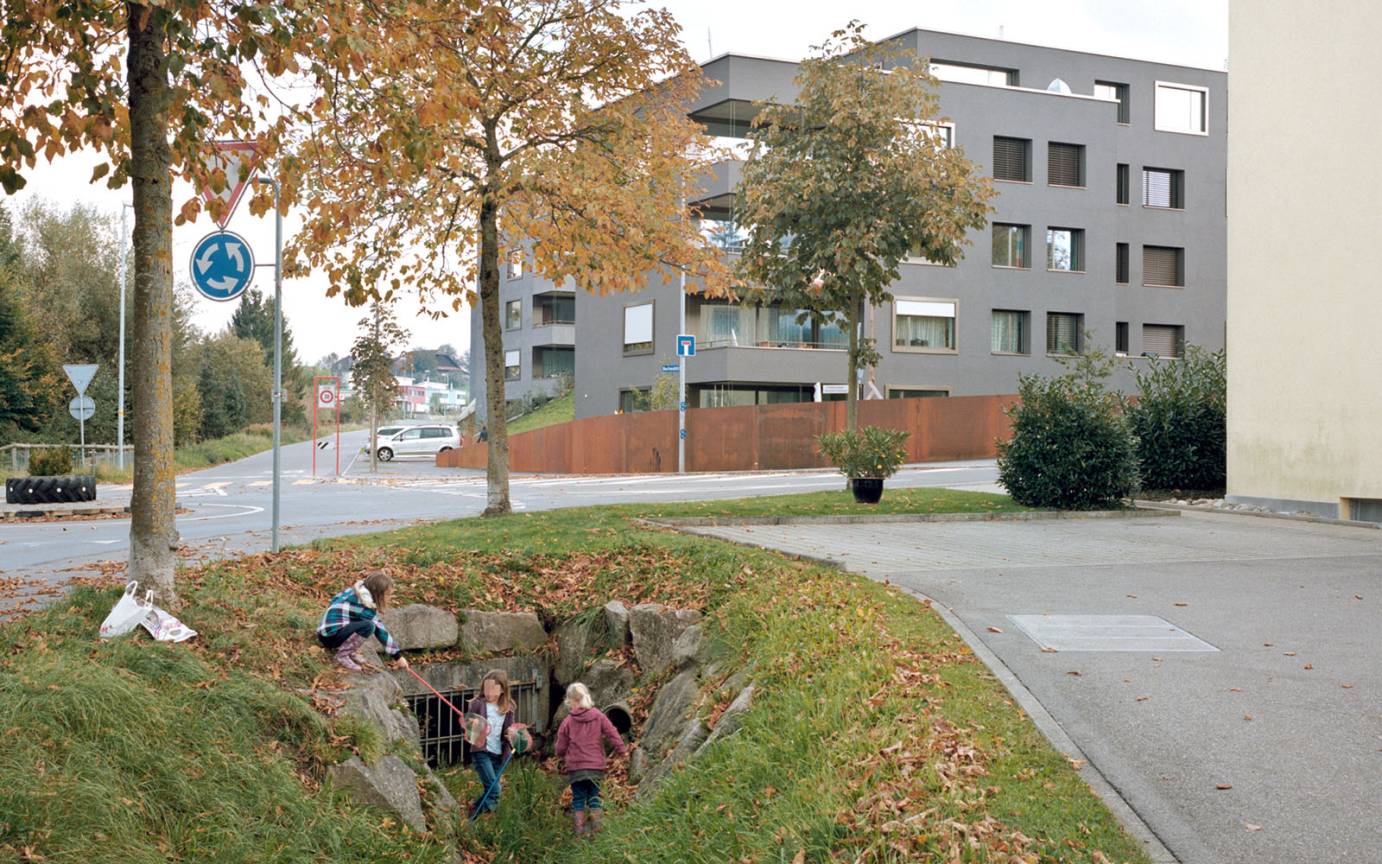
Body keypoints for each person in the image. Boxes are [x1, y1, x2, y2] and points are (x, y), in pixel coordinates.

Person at [554, 682, 627, 837]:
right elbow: (612, 733)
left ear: (571, 701)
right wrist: (622, 750)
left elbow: (561, 744)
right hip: (595, 767)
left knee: (578, 799)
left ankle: (579, 833)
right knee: (594, 797)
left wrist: (560, 755)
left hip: (576, 769)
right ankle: (597, 830)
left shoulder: (567, 722)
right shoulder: (599, 716)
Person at [315, 570, 409, 673]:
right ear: (378, 594)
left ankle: (351, 651)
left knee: (361, 624)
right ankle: (342, 655)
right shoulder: (364, 607)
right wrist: (398, 657)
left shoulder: (355, 592)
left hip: (324, 632)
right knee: (368, 626)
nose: (390, 598)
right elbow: (380, 631)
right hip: (330, 637)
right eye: (387, 595)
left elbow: (335, 600)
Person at [466, 669, 517, 817]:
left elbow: (510, 730)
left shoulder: (508, 707)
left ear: (502, 690)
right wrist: (473, 726)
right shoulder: (477, 704)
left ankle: (474, 811)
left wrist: (511, 734)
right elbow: (470, 731)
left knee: (491, 789)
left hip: (498, 754)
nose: (488, 692)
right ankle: (475, 817)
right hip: (482, 751)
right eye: (486, 688)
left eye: (492, 689)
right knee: (495, 790)